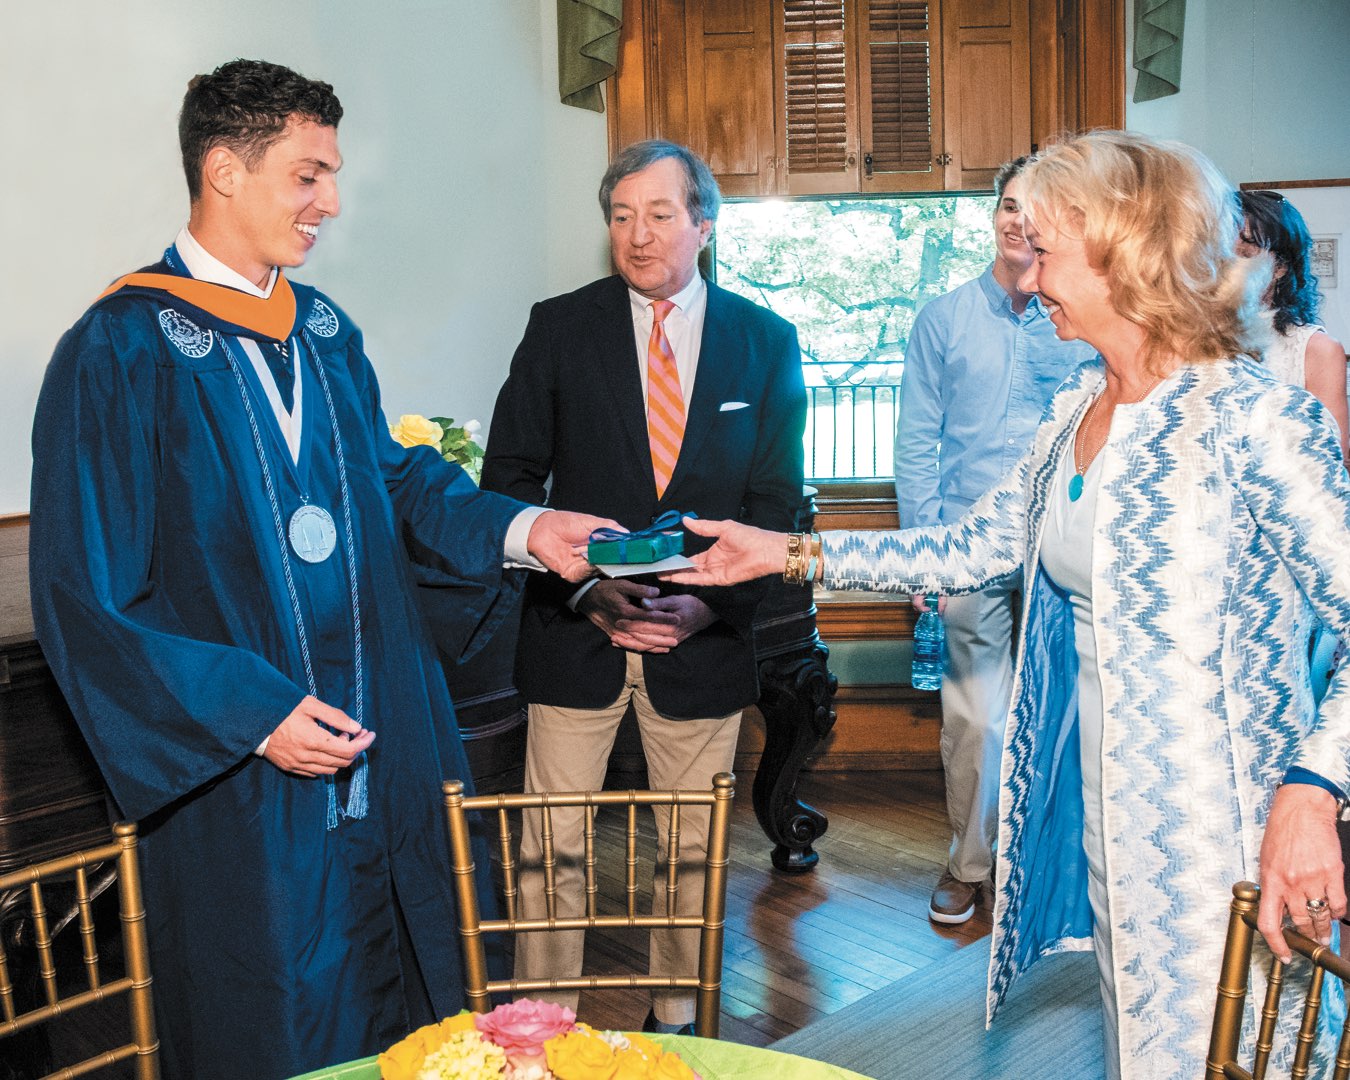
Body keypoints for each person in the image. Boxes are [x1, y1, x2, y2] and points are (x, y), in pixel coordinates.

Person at [662, 131, 1350, 1078]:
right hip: (1105, 818)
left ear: (1122, 254)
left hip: (1226, 832)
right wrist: (786, 552)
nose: (1029, 276)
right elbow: (972, 547)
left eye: (1047, 250)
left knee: (1238, 1054)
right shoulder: (1077, 409)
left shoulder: (1257, 419)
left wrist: (1312, 794)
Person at [28, 59, 609, 1080]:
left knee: (416, 991)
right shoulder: (121, 349)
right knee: (277, 1009)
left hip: (382, 746)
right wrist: (251, 715)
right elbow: (88, 594)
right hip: (248, 780)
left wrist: (530, 530)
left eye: (330, 175)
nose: (330, 202)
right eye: (309, 175)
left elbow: (396, 482)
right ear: (224, 170)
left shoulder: (326, 333)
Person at [481, 139, 806, 1034]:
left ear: (704, 225)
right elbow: (508, 480)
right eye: (621, 216)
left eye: (660, 214)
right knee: (552, 850)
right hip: (573, 631)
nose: (638, 234)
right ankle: (539, 1026)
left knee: (693, 851)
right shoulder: (558, 327)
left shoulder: (766, 341)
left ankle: (680, 1018)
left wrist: (709, 603)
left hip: (703, 641)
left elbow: (778, 503)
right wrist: (581, 590)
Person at [893, 155, 1095, 925]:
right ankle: (969, 865)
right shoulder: (942, 320)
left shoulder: (1082, 319)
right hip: (966, 547)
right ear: (994, 215)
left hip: (1061, 545)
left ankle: (1038, 867)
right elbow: (917, 445)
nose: (1019, 220)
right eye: (1010, 204)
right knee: (976, 717)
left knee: (1059, 709)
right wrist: (923, 554)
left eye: (1035, 209)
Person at [1237, 188, 1348, 461]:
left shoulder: (1316, 350)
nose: (1228, 268)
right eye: (1219, 254)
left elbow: (1331, 459)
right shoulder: (1185, 340)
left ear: (1280, 267)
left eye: (1245, 255)